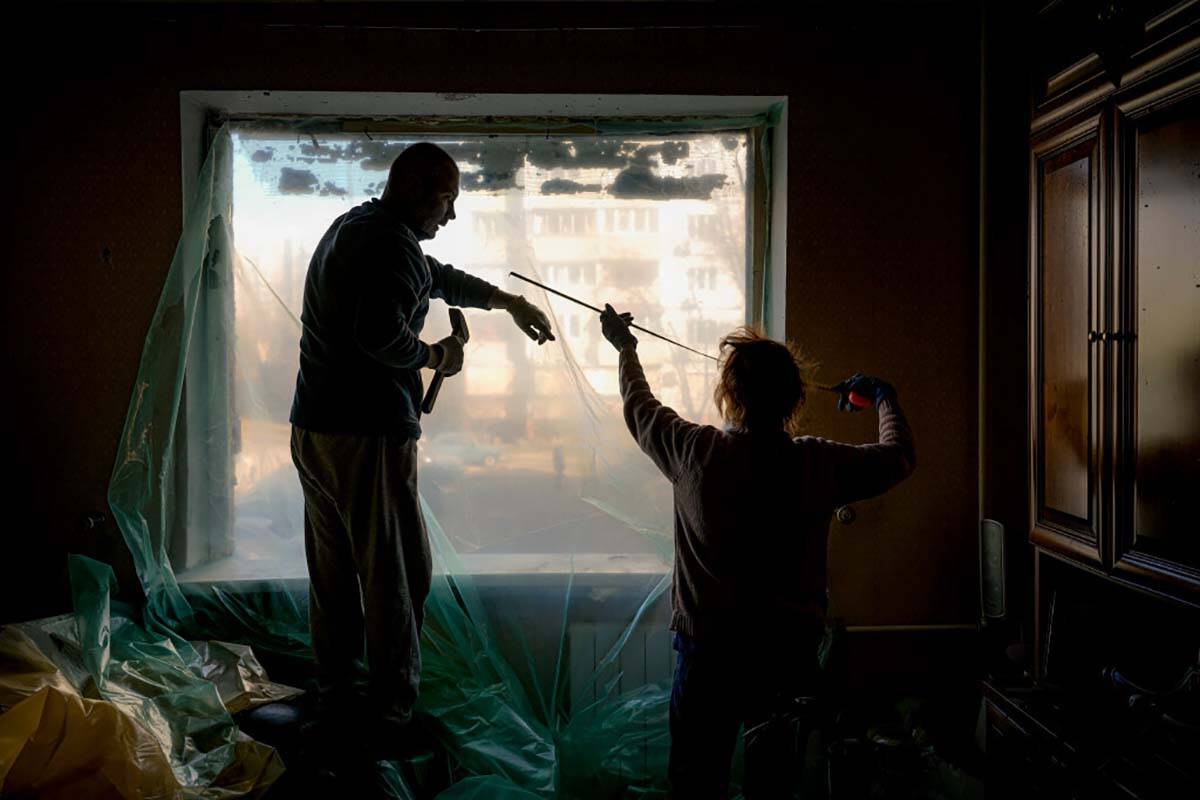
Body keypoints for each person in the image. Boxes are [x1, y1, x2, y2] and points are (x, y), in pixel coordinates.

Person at [289, 142, 555, 760]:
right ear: (415, 191)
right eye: (447, 200)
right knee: (397, 574)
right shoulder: (391, 246)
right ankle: (389, 716)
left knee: (333, 575)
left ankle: (336, 695)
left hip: (316, 429)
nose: (451, 215)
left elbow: (435, 278)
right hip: (367, 436)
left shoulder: (357, 227)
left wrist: (506, 301)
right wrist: (437, 356)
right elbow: (380, 335)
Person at [598, 305, 915, 798]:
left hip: (709, 657)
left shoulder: (694, 452)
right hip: (786, 657)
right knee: (773, 785)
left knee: (696, 784)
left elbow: (639, 407)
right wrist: (883, 398)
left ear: (729, 394)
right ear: (794, 398)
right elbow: (898, 456)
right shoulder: (816, 463)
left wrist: (626, 348)